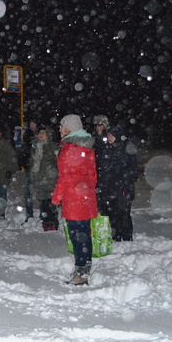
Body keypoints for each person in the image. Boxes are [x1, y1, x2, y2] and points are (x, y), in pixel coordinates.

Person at [52, 114, 98, 285]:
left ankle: (81, 272)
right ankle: (84, 267)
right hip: (85, 196)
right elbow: (93, 175)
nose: (60, 129)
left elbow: (64, 177)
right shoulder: (87, 146)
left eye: (62, 126)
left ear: (69, 129)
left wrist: (56, 198)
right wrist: (86, 189)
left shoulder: (69, 149)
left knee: (76, 236)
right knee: (84, 234)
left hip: (73, 198)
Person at [94, 124, 138, 241]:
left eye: (111, 135)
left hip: (122, 189)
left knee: (123, 214)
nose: (109, 138)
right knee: (111, 214)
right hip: (109, 189)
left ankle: (126, 236)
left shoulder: (127, 150)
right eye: (108, 135)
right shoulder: (106, 149)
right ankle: (116, 235)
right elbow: (101, 169)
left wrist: (123, 181)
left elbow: (133, 171)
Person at [30, 126, 59, 231]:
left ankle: (53, 224)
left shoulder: (52, 146)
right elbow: (33, 164)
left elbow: (59, 160)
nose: (41, 135)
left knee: (50, 203)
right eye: (39, 133)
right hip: (39, 180)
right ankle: (45, 224)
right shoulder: (35, 147)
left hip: (50, 180)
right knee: (43, 204)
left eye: (43, 133)